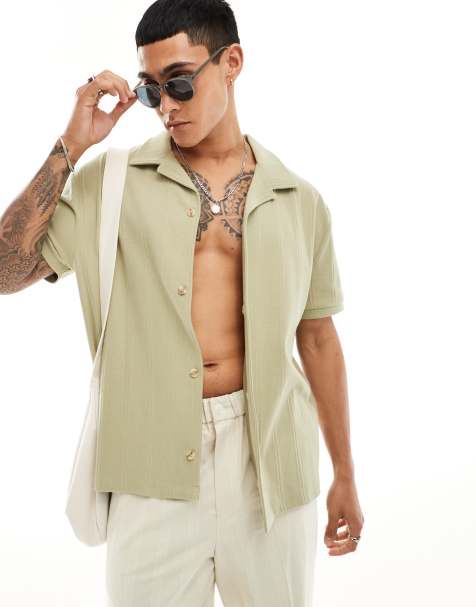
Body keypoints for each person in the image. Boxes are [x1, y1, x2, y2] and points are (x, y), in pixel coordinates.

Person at [0, 0, 364, 604]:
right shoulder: (110, 185)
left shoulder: (300, 200)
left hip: (272, 466)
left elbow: (319, 339)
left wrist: (345, 473)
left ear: (232, 63)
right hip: (150, 466)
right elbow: (5, 270)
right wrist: (71, 145)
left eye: (180, 83)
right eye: (150, 90)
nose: (166, 105)